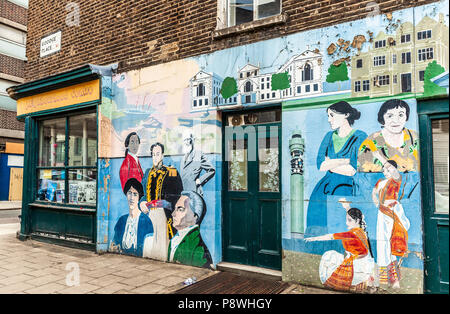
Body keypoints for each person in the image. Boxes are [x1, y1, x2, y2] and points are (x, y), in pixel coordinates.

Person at [306, 101, 367, 235]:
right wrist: (343, 161)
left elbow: (353, 169)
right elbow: (320, 165)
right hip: (325, 187)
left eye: (332, 115)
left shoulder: (360, 136)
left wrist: (331, 163)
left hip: (348, 187)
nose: (329, 120)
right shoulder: (329, 136)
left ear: (346, 114)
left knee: (343, 223)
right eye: (328, 116)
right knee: (319, 220)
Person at [305, 200, 377, 292]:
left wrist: (313, 238)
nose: (347, 223)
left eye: (349, 220)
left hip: (357, 264)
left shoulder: (351, 234)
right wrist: (347, 207)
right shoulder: (361, 230)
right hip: (364, 263)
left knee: (329, 256)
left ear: (357, 220)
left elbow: (330, 237)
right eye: (346, 219)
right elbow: (355, 216)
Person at [139, 142, 183, 259]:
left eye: (157, 154)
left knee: (162, 244)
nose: (155, 157)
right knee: (150, 243)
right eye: (153, 154)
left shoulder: (171, 171)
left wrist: (163, 204)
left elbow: (177, 194)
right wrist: (142, 202)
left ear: (162, 155)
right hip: (149, 214)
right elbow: (143, 194)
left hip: (164, 214)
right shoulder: (148, 172)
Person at [372, 160, 410, 289]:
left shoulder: (395, 180)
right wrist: (377, 203)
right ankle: (385, 279)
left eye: (388, 169)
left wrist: (382, 158)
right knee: (383, 244)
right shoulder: (380, 182)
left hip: (393, 212)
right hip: (382, 213)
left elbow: (394, 171)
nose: (386, 171)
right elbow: (374, 193)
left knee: (391, 243)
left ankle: (394, 279)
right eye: (384, 169)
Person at [359, 99, 419, 173]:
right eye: (390, 116)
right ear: (382, 119)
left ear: (406, 117)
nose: (396, 120)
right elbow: (362, 173)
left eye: (401, 115)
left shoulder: (414, 137)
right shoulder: (371, 142)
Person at [168, 191, 213, 269]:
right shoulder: (174, 239)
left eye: (180, 209)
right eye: (175, 209)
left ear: (195, 216)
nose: (173, 214)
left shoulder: (198, 246)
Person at [110, 178, 154, 257]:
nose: (132, 198)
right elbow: (115, 242)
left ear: (139, 197)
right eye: (129, 193)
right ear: (126, 195)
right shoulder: (121, 221)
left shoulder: (146, 221)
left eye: (135, 194)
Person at [180, 132, 215, 196]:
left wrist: (200, 180)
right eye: (185, 140)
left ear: (192, 140)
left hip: (195, 193)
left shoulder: (199, 154)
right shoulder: (183, 158)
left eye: (188, 139)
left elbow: (212, 170)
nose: (186, 142)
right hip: (184, 193)